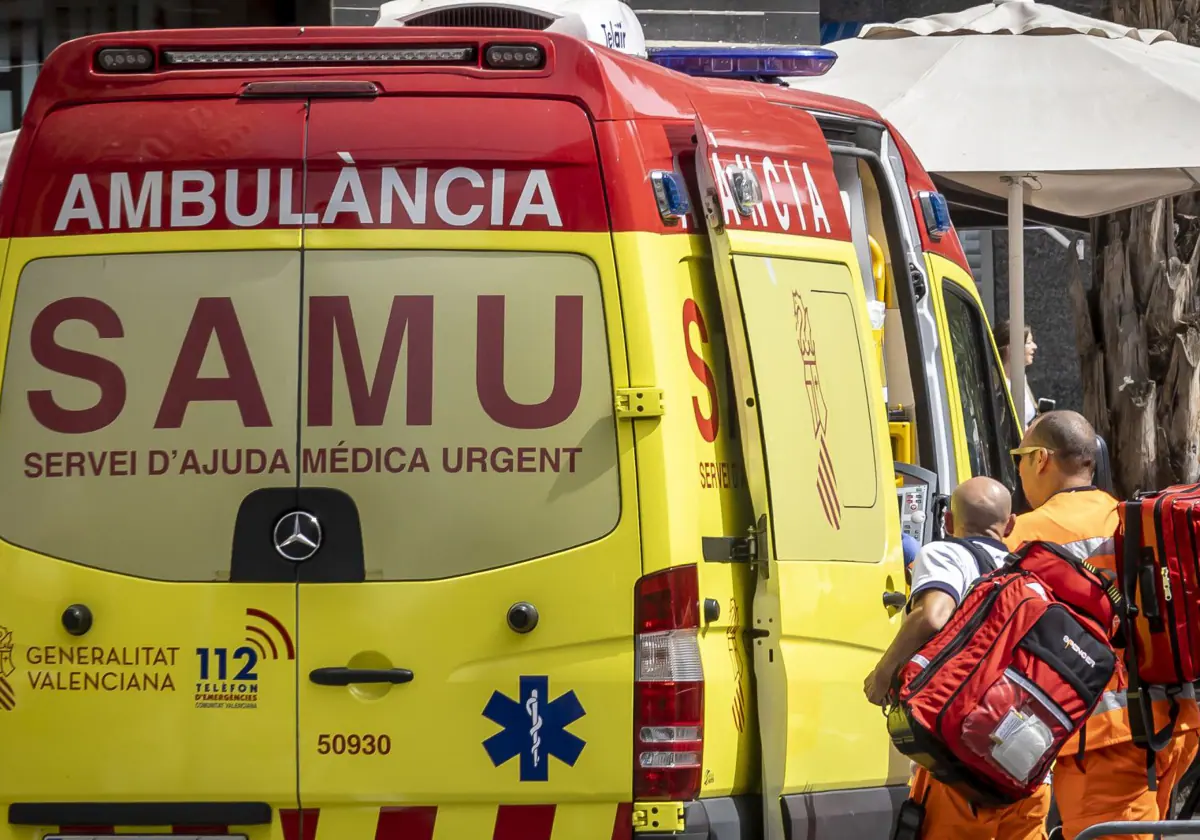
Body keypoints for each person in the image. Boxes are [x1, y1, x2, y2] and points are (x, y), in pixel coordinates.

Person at [1006, 410, 1200, 840]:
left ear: (1041, 460)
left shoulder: (1023, 535)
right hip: (1174, 720)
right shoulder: (1131, 516)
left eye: (1019, 455)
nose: (1017, 468)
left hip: (1104, 740)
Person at [866, 477, 1051, 839]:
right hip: (1028, 762)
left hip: (962, 766)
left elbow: (933, 614)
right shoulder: (1034, 577)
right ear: (1010, 525)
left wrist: (883, 672)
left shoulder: (946, 554)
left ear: (948, 522)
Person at [996, 319, 1038, 426]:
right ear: (1011, 349)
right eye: (1029, 343)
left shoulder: (1021, 378)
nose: (1035, 347)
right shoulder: (996, 386)